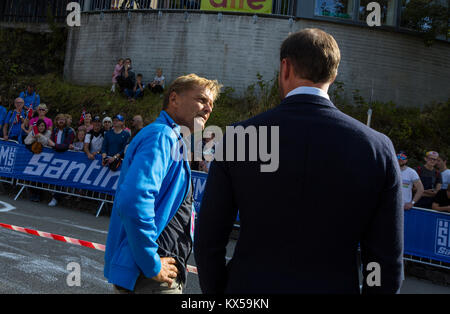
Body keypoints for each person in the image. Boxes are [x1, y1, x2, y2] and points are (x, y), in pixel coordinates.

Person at [194, 28, 404, 294]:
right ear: (334, 75)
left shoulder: (238, 139)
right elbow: (385, 260)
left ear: (285, 67)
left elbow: (208, 242)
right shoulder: (377, 148)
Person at [104, 74, 221, 294]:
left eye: (211, 104)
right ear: (174, 98)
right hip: (151, 278)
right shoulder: (162, 135)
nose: (208, 109)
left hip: (151, 274)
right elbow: (134, 202)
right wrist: (151, 262)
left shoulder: (171, 138)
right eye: (202, 100)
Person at [47, 114, 75, 207]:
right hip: (54, 156)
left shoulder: (70, 131)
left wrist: (55, 146)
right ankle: (53, 196)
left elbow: (66, 145)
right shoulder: (54, 130)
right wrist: (53, 145)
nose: (61, 121)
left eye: (63, 119)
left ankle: (56, 198)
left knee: (61, 178)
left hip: (65, 156)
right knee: (53, 176)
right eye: (59, 119)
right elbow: (50, 142)